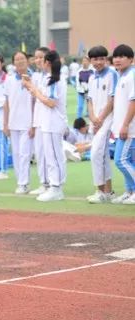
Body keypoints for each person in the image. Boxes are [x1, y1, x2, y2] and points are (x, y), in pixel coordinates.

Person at [24, 50, 68, 202]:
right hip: (47, 122)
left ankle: (56, 187)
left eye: (42, 60)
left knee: (54, 155)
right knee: (50, 155)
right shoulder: (48, 78)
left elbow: (51, 102)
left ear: (47, 63)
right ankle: (53, 186)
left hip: (54, 122)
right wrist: (32, 87)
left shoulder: (55, 79)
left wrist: (35, 91)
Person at [85, 46, 117, 203]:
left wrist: (100, 119)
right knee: (102, 156)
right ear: (90, 60)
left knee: (96, 153)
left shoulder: (112, 74)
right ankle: (108, 192)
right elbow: (89, 100)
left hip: (107, 120)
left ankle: (100, 191)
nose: (98, 62)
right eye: (95, 59)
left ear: (106, 59)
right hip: (96, 121)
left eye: (101, 59)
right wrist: (92, 117)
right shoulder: (92, 77)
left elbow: (112, 100)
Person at [3, 51, 34, 194]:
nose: (20, 62)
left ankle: (24, 183)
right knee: (16, 153)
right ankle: (20, 181)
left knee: (24, 153)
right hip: (13, 122)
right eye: (17, 60)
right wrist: (5, 124)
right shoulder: (9, 80)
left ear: (28, 61)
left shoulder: (34, 78)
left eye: (22, 59)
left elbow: (35, 102)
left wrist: (33, 124)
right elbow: (7, 103)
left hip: (28, 123)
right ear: (13, 63)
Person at [110, 44, 135, 204]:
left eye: (122, 56)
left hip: (130, 129)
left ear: (131, 59)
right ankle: (129, 190)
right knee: (128, 160)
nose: (117, 59)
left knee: (121, 160)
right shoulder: (122, 76)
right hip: (121, 128)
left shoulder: (132, 75)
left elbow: (133, 101)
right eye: (116, 56)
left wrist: (125, 125)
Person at [30, 47, 51, 195]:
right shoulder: (37, 76)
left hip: (48, 120)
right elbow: (33, 100)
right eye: (36, 57)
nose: (37, 60)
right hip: (38, 119)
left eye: (40, 57)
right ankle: (44, 183)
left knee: (49, 153)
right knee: (39, 153)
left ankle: (53, 184)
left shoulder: (52, 76)